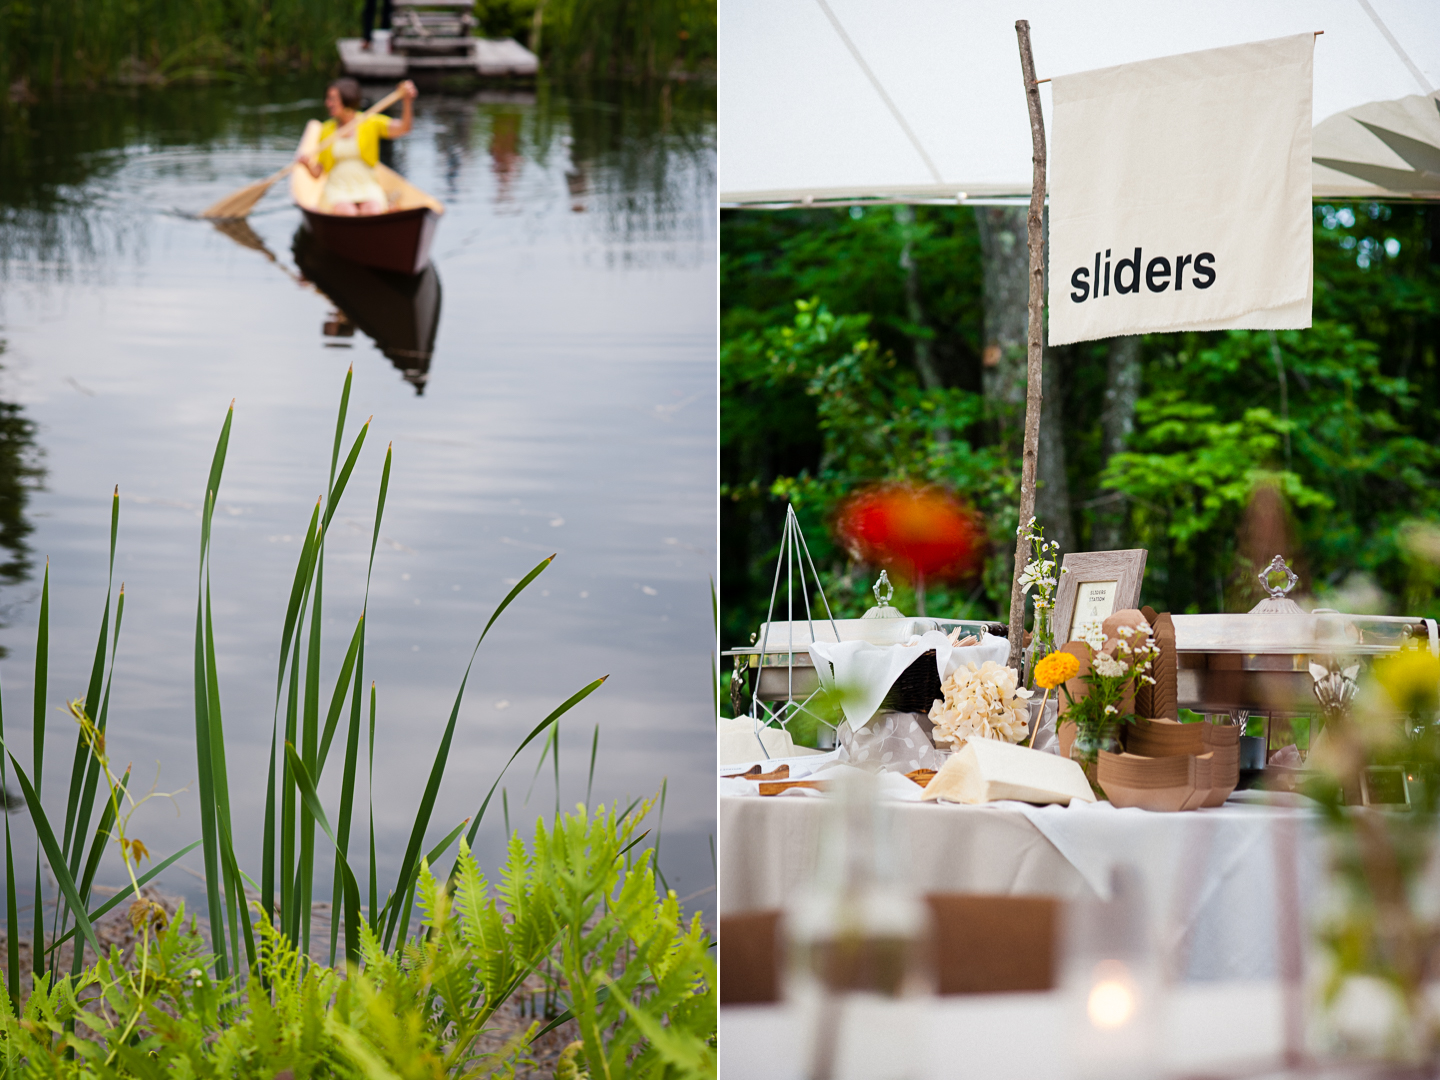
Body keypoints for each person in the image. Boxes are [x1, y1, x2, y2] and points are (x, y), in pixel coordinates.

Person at [300, 79, 417, 217]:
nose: (328, 103)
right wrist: (307, 164)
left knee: (372, 211)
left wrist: (407, 102)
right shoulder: (326, 130)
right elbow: (317, 173)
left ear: (347, 99)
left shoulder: (369, 121)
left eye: (332, 99)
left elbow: (404, 128)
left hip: (366, 186)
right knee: (348, 213)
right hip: (337, 189)